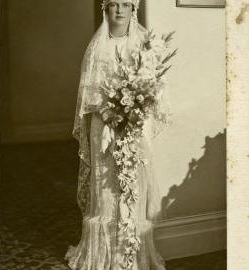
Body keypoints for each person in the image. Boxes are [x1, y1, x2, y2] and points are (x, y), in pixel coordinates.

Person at [65, 0, 171, 269]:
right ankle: (104, 259)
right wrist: (111, 110)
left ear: (134, 9)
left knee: (133, 186)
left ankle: (133, 257)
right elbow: (88, 94)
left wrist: (136, 105)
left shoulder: (144, 44)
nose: (120, 10)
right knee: (106, 188)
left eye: (126, 4)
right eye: (114, 4)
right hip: (105, 124)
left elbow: (155, 89)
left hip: (135, 125)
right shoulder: (97, 47)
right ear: (105, 9)